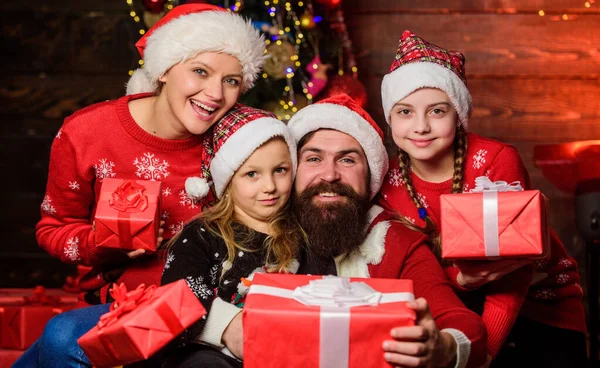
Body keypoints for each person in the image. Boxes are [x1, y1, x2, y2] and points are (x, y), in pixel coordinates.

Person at [14, 4, 266, 368]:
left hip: (210, 306)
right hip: (125, 304)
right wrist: (104, 243)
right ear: (164, 70)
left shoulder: (236, 139)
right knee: (62, 337)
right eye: (200, 71)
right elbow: (53, 228)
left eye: (231, 80)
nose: (215, 93)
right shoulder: (87, 133)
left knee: (55, 342)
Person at [190, 94, 488, 368]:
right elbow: (178, 291)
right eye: (314, 159)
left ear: (369, 174)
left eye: (347, 160)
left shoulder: (393, 240)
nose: (330, 174)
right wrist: (227, 327)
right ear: (293, 170)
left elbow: (462, 323)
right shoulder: (255, 223)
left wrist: (444, 347)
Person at [377, 30, 587, 367]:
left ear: (458, 116)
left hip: (538, 306)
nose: (420, 127)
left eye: (436, 111)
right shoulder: (388, 182)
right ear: (389, 117)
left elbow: (515, 273)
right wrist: (459, 286)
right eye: (405, 112)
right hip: (451, 309)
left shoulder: (495, 161)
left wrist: (482, 354)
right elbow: (411, 270)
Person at [161, 105, 305, 368]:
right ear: (228, 181)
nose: (270, 186)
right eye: (252, 174)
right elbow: (177, 295)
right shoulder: (204, 234)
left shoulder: (301, 234)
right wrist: (227, 326)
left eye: (280, 170)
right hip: (208, 352)